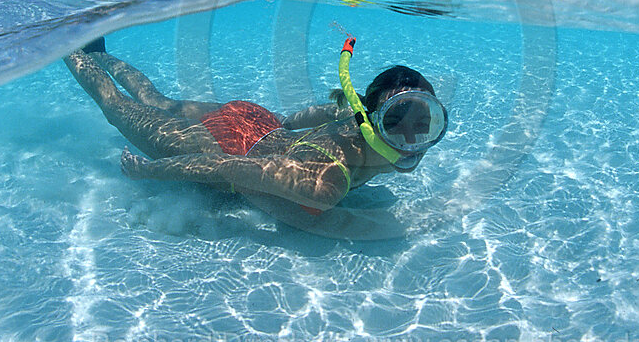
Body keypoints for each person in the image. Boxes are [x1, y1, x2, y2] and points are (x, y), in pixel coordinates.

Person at [64, 36, 448, 220]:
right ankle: (65, 45)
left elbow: (297, 121)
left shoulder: (352, 114)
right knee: (116, 108)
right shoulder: (327, 182)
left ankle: (96, 52)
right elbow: (223, 169)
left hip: (256, 119)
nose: (413, 141)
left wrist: (277, 126)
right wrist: (151, 171)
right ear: (372, 120)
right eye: (396, 123)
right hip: (222, 146)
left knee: (158, 101)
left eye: (425, 123)